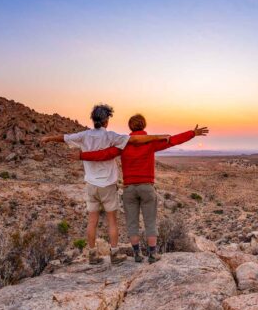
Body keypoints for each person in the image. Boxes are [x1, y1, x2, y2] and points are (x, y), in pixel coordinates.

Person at [40, 104, 170, 265]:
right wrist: (158, 137)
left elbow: (64, 137)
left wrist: (49, 138)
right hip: (107, 184)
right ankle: (114, 253)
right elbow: (136, 139)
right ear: (106, 120)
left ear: (93, 119)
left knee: (92, 220)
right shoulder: (111, 137)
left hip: (91, 184)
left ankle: (93, 254)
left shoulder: (84, 135)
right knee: (112, 221)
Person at [74, 114, 208, 263]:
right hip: (147, 187)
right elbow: (173, 140)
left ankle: (137, 254)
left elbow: (104, 154)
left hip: (129, 189)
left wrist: (81, 155)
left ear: (130, 127)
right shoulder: (151, 142)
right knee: (150, 222)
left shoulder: (123, 144)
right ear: (143, 125)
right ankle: (152, 254)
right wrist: (192, 133)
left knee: (132, 223)